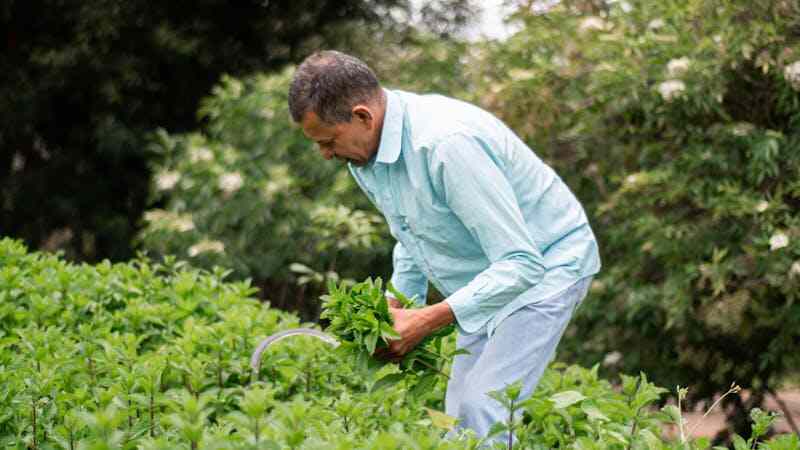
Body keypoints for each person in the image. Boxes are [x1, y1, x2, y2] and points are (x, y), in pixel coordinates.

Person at [287, 50, 601, 440]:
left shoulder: (446, 145)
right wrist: (395, 306)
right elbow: (411, 232)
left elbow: (522, 262)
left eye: (329, 141)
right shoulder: (365, 157)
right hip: (487, 276)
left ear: (363, 116)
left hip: (547, 267)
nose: (326, 154)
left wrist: (424, 320)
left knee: (484, 406)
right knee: (458, 420)